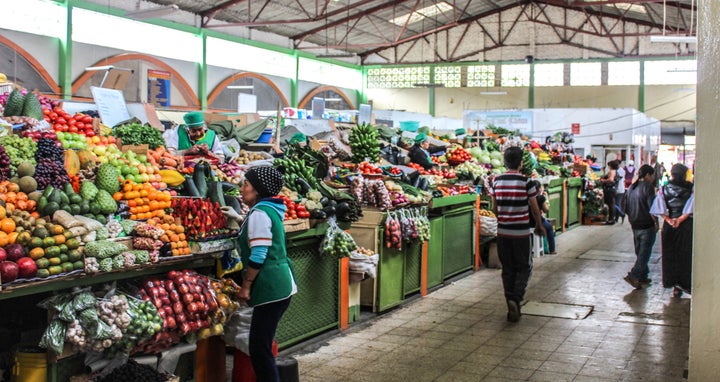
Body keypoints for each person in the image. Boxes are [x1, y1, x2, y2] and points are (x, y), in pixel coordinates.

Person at [223, 166, 297, 381]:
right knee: (260, 345)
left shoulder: (260, 213)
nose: (242, 188)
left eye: (246, 184)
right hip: (280, 284)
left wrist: (246, 285)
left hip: (271, 286)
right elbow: (261, 232)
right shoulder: (269, 209)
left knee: (259, 349)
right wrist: (238, 218)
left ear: (257, 190)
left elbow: (259, 253)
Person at [491, 147, 545, 322]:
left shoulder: (496, 181)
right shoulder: (526, 182)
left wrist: (502, 220)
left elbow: (494, 208)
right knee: (524, 267)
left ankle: (510, 302)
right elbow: (534, 207)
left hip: (503, 232)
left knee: (508, 269)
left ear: (505, 162)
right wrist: (539, 225)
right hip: (521, 233)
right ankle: (516, 298)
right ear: (521, 163)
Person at [650, 163, 694, 298]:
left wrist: (669, 220)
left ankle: (674, 285)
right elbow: (692, 206)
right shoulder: (691, 188)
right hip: (685, 225)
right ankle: (685, 284)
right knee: (685, 255)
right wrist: (680, 220)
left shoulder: (664, 189)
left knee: (670, 255)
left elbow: (659, 207)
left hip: (670, 226)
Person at [622, 165, 658, 289]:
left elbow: (625, 207)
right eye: (652, 175)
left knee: (640, 251)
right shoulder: (648, 187)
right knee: (644, 253)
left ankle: (643, 276)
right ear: (648, 175)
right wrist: (656, 223)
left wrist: (632, 217)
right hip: (646, 225)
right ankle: (634, 275)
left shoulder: (631, 187)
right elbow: (652, 208)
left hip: (635, 224)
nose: (653, 178)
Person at [531, 180, 556, 254]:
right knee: (549, 227)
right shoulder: (540, 198)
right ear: (539, 189)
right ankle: (552, 250)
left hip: (526, 222)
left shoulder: (526, 197)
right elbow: (546, 210)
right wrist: (546, 199)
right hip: (537, 222)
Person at [599, 160, 620, 224]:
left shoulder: (612, 171)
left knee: (611, 204)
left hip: (609, 190)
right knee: (612, 204)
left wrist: (603, 180)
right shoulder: (615, 171)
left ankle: (611, 219)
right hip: (613, 190)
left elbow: (611, 179)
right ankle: (613, 218)